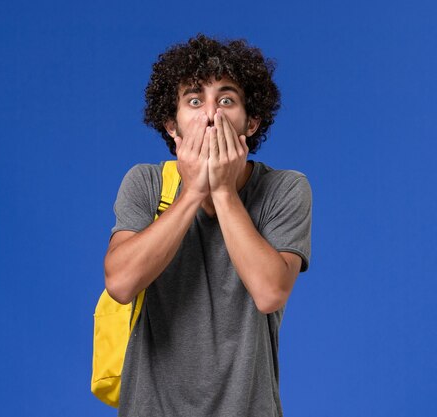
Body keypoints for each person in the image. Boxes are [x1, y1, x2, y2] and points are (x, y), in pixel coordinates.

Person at [104, 34, 312, 417]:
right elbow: (120, 283)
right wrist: (193, 192)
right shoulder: (145, 182)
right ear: (172, 125)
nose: (211, 114)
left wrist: (223, 192)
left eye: (227, 100)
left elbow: (269, 293)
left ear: (251, 122)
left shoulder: (285, 188)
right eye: (195, 100)